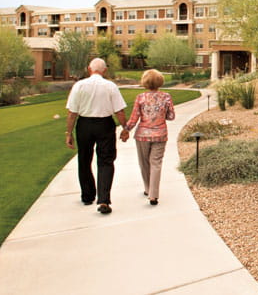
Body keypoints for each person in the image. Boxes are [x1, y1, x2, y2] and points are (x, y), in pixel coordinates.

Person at [65, 58, 128, 214]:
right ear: (104, 70)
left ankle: (87, 195)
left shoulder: (79, 86)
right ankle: (104, 200)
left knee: (84, 159)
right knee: (106, 161)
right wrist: (125, 128)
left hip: (84, 125)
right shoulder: (110, 86)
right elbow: (119, 111)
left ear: (89, 69)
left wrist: (69, 133)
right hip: (105, 125)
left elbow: (72, 113)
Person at [124, 69, 175, 206]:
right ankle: (153, 195)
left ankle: (148, 188)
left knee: (144, 163)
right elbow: (171, 116)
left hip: (142, 135)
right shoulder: (167, 97)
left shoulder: (140, 98)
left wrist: (126, 130)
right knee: (156, 164)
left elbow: (134, 118)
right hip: (160, 135)